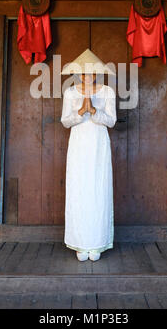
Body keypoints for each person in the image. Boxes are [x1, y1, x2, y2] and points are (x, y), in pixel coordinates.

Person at [61, 49, 116, 261]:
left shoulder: (107, 92)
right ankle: (80, 243)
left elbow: (111, 121)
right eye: (83, 73)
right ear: (78, 74)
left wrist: (94, 111)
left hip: (99, 143)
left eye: (91, 72)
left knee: (98, 187)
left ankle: (97, 243)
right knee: (79, 188)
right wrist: (80, 112)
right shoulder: (71, 93)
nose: (87, 76)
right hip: (78, 143)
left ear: (97, 73)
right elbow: (66, 121)